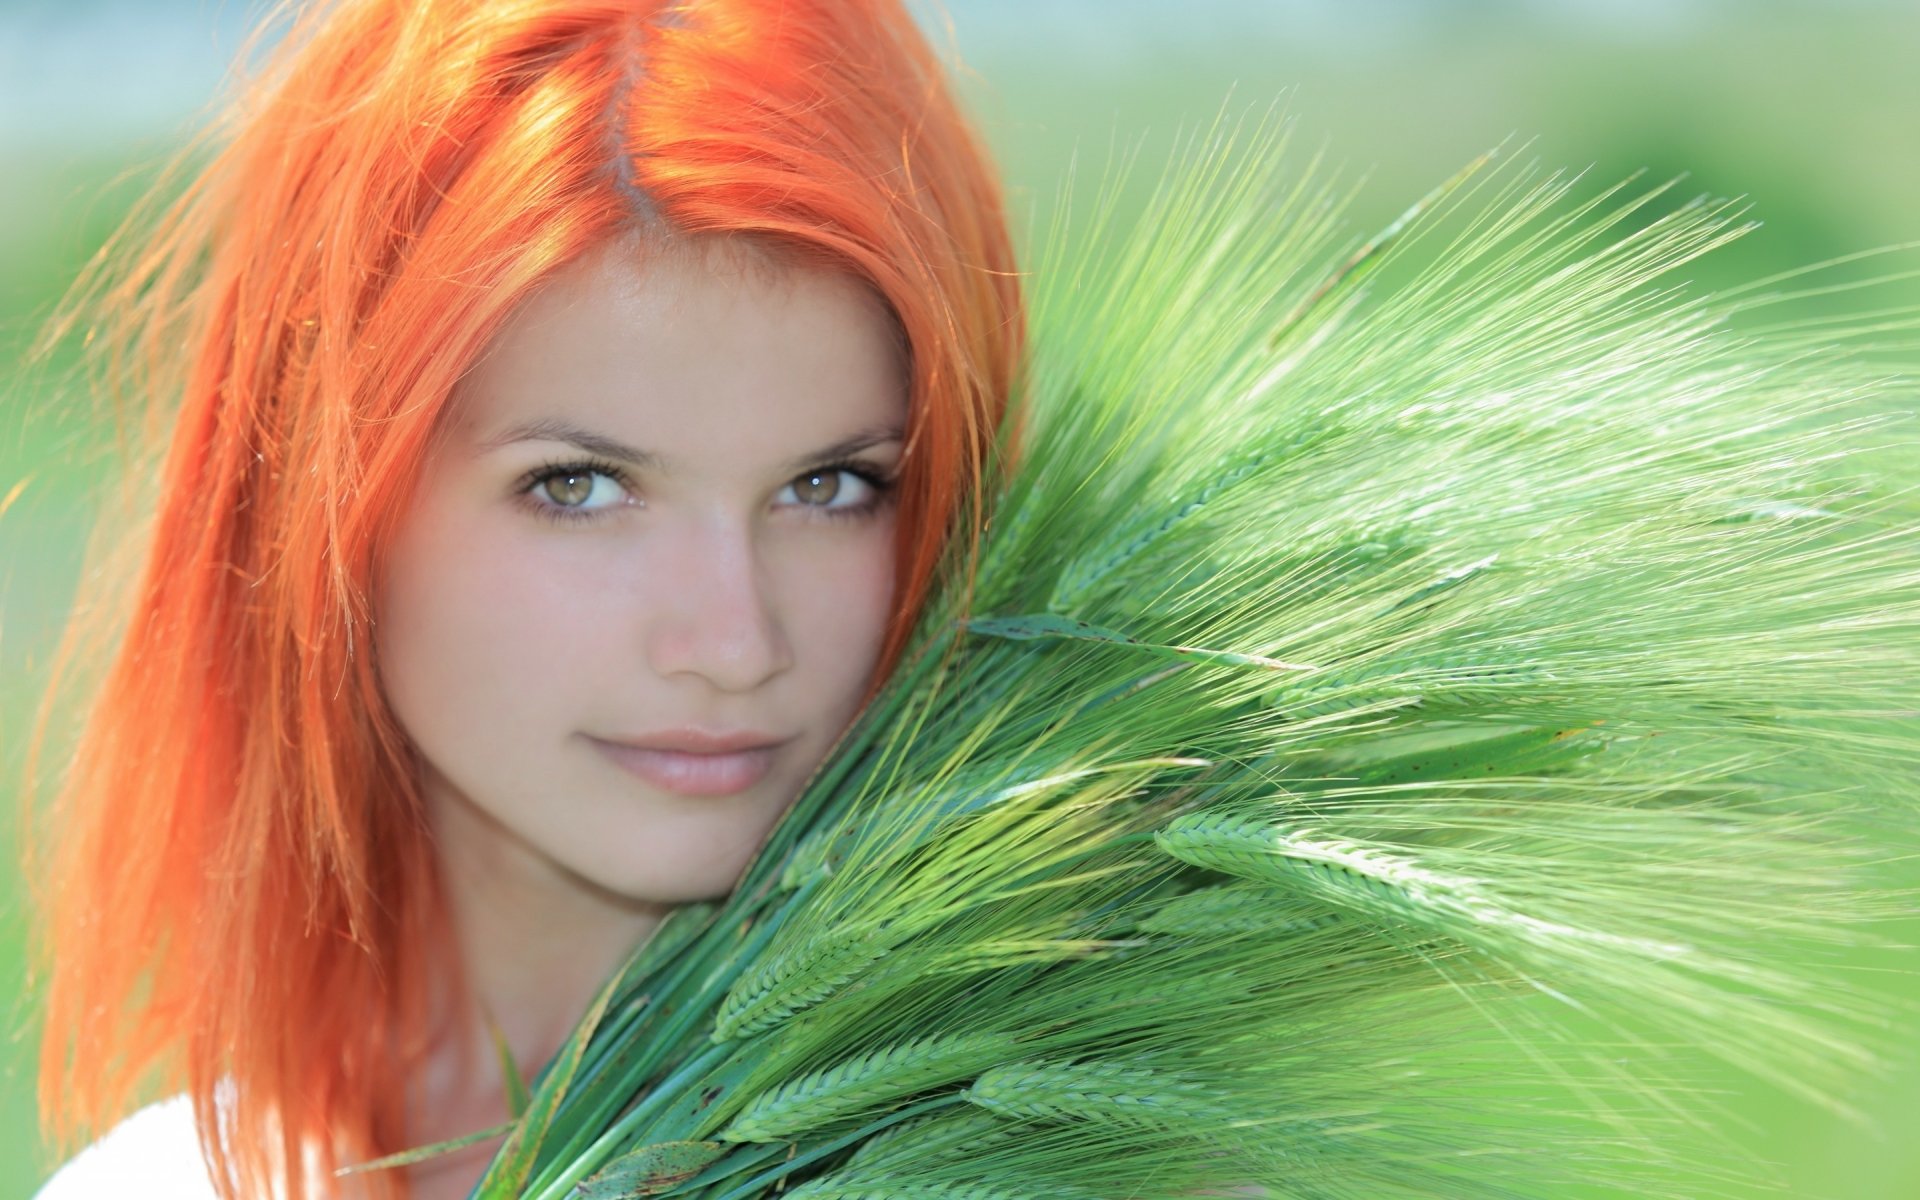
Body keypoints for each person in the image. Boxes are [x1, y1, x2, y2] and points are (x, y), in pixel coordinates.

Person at [28, 1, 1023, 1197]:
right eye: (581, 486)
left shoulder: (1087, 1168)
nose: (733, 641)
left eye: (831, 485)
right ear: (328, 503)